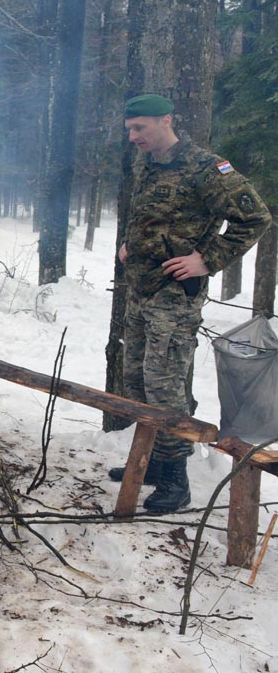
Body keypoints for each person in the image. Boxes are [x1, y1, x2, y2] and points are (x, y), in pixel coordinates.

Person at [112, 94, 271, 513]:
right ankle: (149, 463)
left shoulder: (206, 167)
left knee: (165, 389)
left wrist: (207, 259)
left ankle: (175, 480)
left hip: (173, 298)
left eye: (140, 128)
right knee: (137, 383)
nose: (133, 137)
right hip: (142, 290)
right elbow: (151, 214)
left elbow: (255, 219)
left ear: (166, 120)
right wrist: (131, 243)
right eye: (129, 129)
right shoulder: (146, 163)